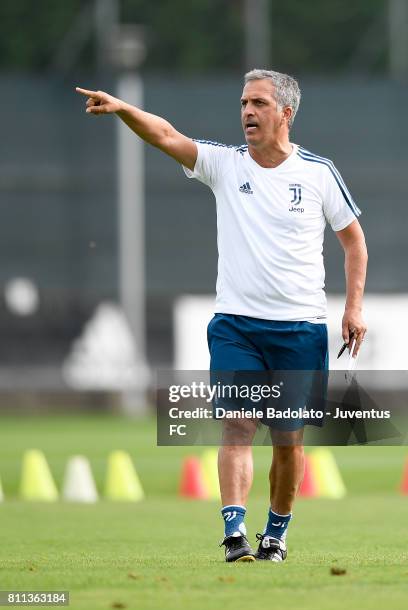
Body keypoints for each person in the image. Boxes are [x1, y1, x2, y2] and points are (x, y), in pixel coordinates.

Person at [76, 69, 367, 563]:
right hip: (236, 324)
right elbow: (166, 135)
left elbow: (354, 241)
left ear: (285, 113)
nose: (247, 113)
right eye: (243, 103)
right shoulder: (225, 164)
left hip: (300, 328)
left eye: (258, 103)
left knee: (287, 442)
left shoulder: (319, 173)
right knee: (237, 423)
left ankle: (275, 535)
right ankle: (235, 533)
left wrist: (353, 307)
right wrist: (125, 109)